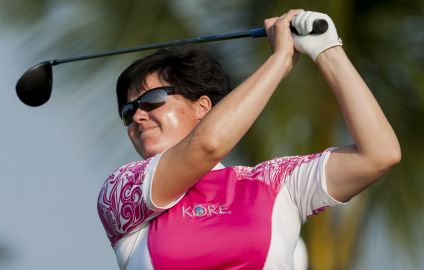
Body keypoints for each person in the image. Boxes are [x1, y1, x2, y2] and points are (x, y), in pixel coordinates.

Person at [97, 9, 400, 270]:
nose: (137, 116)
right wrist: (281, 60)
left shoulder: (274, 182)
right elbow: (207, 145)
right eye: (128, 110)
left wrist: (327, 49)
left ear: (203, 107)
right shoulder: (121, 191)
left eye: (151, 100)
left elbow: (379, 154)